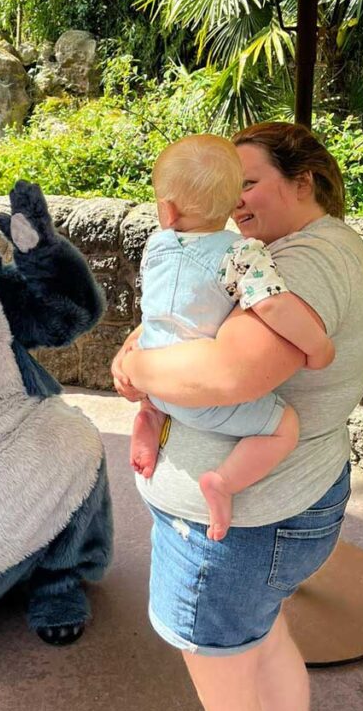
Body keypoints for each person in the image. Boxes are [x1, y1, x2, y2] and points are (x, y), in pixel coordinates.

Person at [112, 122, 363, 711]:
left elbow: (229, 372)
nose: (236, 202)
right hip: (266, 516)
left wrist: (134, 370)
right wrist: (143, 361)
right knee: (261, 640)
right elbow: (181, 327)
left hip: (237, 532)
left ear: (303, 181)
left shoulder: (303, 259)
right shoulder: (262, 252)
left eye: (249, 183)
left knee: (226, 699)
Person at [130, 134, 335, 541]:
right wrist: (318, 347)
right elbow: (274, 305)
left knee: (161, 393)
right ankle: (223, 482)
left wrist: (138, 372)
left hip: (153, 378)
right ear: (231, 205)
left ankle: (150, 416)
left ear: (166, 211)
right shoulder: (241, 254)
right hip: (196, 396)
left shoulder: (156, 244)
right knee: (284, 426)